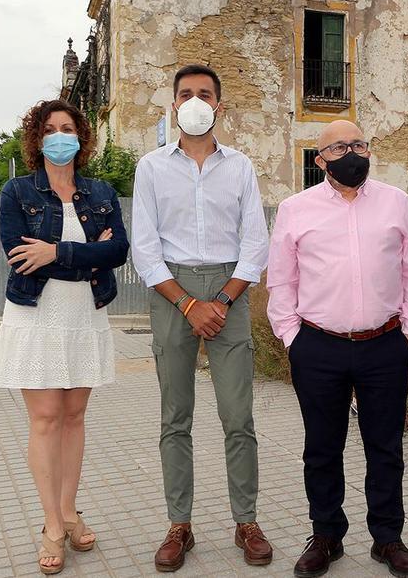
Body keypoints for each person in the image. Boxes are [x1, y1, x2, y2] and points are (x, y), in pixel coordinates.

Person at [267, 119, 408, 578]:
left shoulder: (396, 203)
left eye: (358, 143)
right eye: (339, 147)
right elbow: (282, 279)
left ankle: (388, 538)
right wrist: (292, 338)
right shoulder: (295, 209)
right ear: (319, 160)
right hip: (318, 345)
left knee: (386, 447)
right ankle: (326, 536)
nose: (352, 152)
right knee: (321, 447)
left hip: (385, 344)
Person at [131, 64, 273, 572]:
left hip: (229, 292)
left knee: (239, 418)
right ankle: (179, 524)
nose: (195, 101)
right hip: (172, 293)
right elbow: (144, 248)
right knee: (176, 419)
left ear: (219, 106)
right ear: (173, 105)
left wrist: (224, 300)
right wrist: (189, 304)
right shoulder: (150, 167)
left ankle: (247, 520)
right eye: (186, 93)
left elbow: (255, 242)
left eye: (205, 94)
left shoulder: (240, 167)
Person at [0, 99, 130, 575]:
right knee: (46, 418)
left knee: (74, 417)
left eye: (67, 128)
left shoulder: (101, 192)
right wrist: (85, 252)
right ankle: (52, 524)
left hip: (83, 311)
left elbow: (118, 250)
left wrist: (55, 251)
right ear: (37, 138)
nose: (59, 136)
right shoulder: (17, 191)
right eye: (49, 129)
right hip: (35, 311)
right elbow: (18, 253)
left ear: (81, 137)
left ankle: (71, 512)